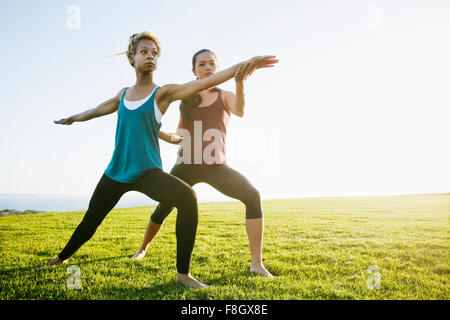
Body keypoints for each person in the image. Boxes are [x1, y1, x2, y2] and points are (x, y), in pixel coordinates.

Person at [35, 31, 278, 289]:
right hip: (117, 172)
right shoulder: (123, 95)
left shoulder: (163, 93)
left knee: (188, 198)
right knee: (90, 222)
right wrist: (72, 117)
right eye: (144, 52)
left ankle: (183, 275)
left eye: (154, 53)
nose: (150, 56)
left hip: (149, 172)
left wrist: (247, 64)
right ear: (132, 59)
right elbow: (96, 110)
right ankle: (61, 258)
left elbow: (210, 81)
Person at [131, 49, 274, 278]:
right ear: (194, 70)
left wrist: (239, 82)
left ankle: (256, 264)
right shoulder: (186, 97)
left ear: (216, 68)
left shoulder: (224, 95)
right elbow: (180, 129)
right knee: (164, 206)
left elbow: (240, 111)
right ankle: (142, 248)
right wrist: (165, 134)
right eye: (202, 64)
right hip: (186, 164)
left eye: (211, 64)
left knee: (252, 196)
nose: (207, 67)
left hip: (216, 165)